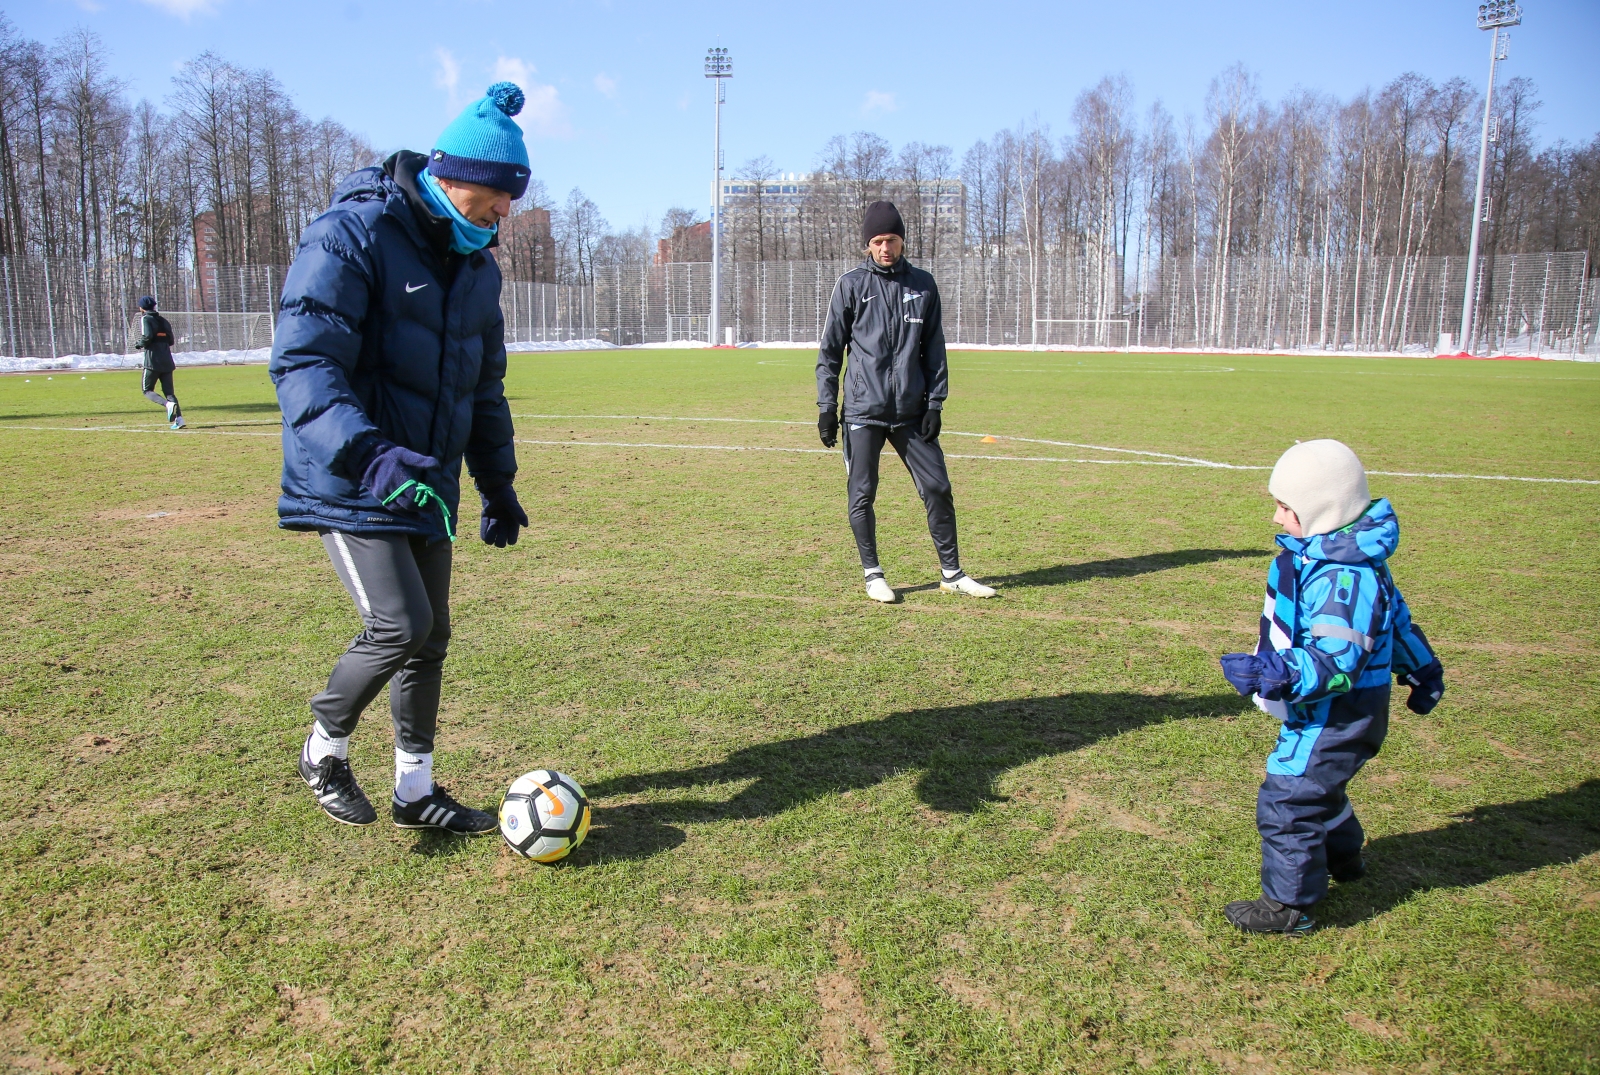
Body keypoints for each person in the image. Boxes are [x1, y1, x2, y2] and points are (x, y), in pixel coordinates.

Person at [270, 82, 534, 834]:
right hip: (353, 475)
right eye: (496, 194)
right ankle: (323, 746)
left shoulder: (479, 269)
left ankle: (414, 789)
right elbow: (303, 363)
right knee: (400, 623)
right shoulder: (352, 233)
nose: (503, 213)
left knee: (432, 636)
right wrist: (368, 454)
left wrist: (497, 483)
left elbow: (484, 388)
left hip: (426, 481)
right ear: (451, 177)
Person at [1218, 439, 1445, 933]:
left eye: (1286, 507)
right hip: (1340, 705)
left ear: (1322, 509)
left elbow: (1339, 660)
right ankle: (1345, 859)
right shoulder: (1337, 556)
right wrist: (1424, 669)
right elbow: (1398, 625)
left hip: (1337, 708)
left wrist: (1274, 673)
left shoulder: (1345, 574)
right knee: (1320, 789)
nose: (1278, 518)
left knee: (1289, 799)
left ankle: (1288, 907)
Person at [815, 200, 995, 604]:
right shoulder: (851, 286)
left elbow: (935, 349)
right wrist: (827, 407)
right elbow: (830, 353)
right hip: (864, 411)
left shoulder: (923, 285)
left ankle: (952, 573)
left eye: (891, 239)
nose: (885, 247)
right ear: (867, 245)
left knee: (938, 488)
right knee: (862, 494)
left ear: (902, 241)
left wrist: (935, 403)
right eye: (877, 241)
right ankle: (873, 574)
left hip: (912, 412)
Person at [135, 296, 184, 430]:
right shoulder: (164, 321)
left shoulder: (145, 318)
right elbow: (171, 340)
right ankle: (179, 419)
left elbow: (147, 336)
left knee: (147, 390)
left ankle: (167, 405)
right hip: (167, 360)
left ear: (142, 308)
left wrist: (139, 344)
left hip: (152, 361)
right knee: (169, 392)